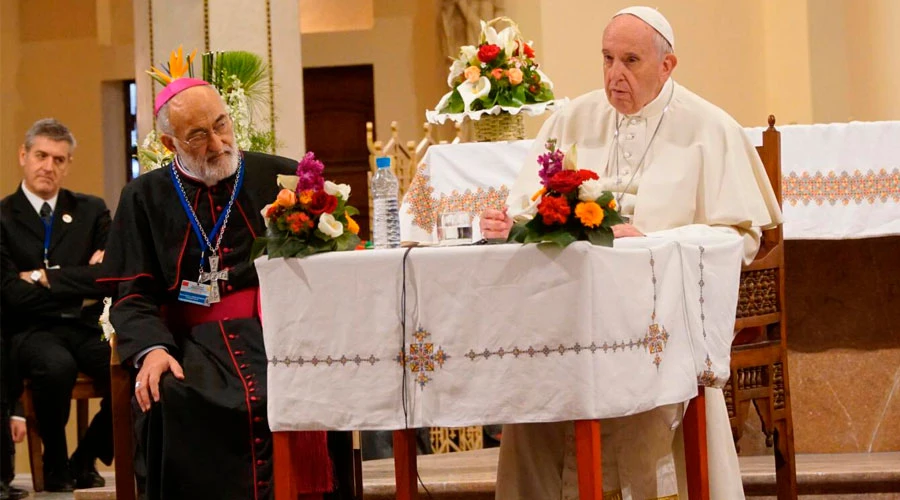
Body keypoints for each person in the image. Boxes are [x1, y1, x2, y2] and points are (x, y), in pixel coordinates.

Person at [481, 6, 782, 500]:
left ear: (667, 66)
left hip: (662, 321)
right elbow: (531, 207)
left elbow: (740, 238)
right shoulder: (571, 118)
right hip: (572, 317)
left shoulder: (710, 127)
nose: (614, 74)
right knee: (535, 383)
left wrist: (656, 243)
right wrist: (509, 225)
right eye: (606, 59)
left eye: (630, 61)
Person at [100, 78, 354, 500]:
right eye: (198, 135)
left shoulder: (279, 176)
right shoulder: (143, 196)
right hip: (188, 343)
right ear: (169, 142)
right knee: (171, 395)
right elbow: (131, 293)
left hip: (275, 333)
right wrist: (153, 350)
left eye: (222, 125)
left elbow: (323, 263)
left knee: (313, 380)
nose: (218, 144)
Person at [0, 118, 113, 492]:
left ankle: (86, 457)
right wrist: (79, 279)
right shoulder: (2, 217)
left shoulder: (91, 210)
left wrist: (43, 277)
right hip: (31, 331)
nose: (49, 167)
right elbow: (8, 293)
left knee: (129, 365)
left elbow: (109, 276)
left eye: (59, 159)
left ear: (68, 164)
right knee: (55, 366)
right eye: (41, 156)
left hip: (84, 325)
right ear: (23, 155)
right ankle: (56, 462)